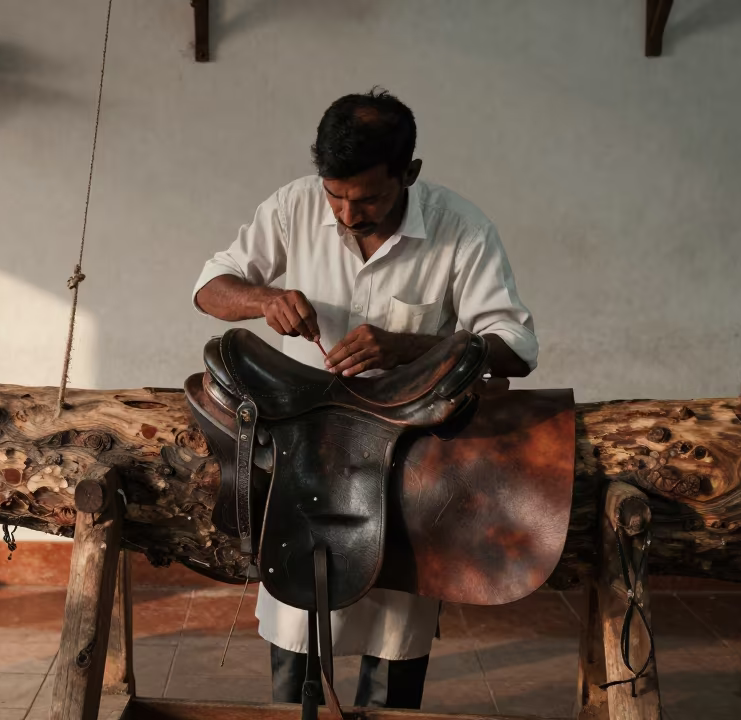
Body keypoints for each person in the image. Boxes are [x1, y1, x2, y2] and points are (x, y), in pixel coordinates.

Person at [191, 89, 539, 708]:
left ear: (410, 173)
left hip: (404, 451)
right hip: (303, 444)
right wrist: (263, 299)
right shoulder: (293, 206)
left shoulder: (461, 228)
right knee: (295, 624)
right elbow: (209, 287)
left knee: (397, 629)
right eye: (337, 196)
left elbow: (515, 346)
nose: (349, 214)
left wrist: (407, 348)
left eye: (370, 198)